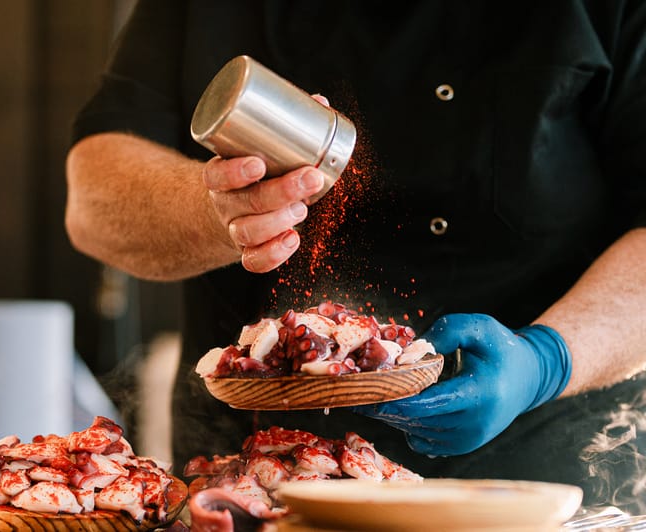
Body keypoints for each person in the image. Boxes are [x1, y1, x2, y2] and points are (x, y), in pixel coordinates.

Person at [65, 1, 646, 513]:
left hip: (550, 485)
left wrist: (546, 362)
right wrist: (217, 211)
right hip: (257, 489)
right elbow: (92, 197)